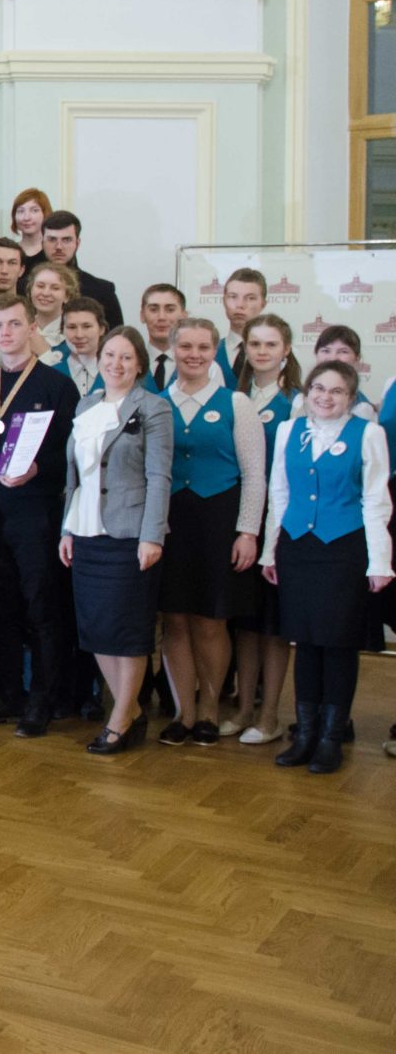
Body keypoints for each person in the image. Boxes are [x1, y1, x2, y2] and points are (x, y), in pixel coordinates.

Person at [259, 360, 393, 774]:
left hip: (344, 549)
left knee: (337, 643)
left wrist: (380, 560)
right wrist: (270, 551)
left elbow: (376, 500)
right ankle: (305, 734)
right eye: (318, 388)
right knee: (304, 641)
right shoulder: (289, 431)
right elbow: (278, 494)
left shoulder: (367, 433)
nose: (325, 397)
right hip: (298, 549)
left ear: (351, 397)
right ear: (307, 392)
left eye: (336, 391)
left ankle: (332, 738)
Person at [0, 294, 80, 736]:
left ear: (32, 328)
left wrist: (39, 468)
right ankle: (8, 693)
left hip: (36, 512)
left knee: (41, 607)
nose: (7, 333)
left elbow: (69, 457)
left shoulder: (57, 386)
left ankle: (44, 698)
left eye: (15, 324)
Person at [59, 326, 173, 755]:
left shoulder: (154, 408)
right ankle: (132, 712)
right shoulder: (86, 404)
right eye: (110, 355)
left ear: (139, 364)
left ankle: (121, 716)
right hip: (86, 530)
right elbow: (74, 474)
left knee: (127, 631)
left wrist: (152, 535)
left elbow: (159, 476)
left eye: (126, 357)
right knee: (96, 630)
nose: (116, 364)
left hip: (129, 533)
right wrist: (67, 529)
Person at [153, 317, 265, 747]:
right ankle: (183, 711)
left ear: (214, 351)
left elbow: (255, 475)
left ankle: (211, 708)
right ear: (174, 349)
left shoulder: (236, 403)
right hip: (169, 524)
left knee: (211, 621)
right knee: (174, 620)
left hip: (219, 522)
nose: (194, 355)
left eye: (203, 347)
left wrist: (247, 532)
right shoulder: (157, 402)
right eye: (186, 347)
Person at [229, 313, 300, 746]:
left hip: (276, 526)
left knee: (273, 627)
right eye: (254, 344)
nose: (261, 352)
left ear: (286, 351)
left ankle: (270, 715)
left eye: (270, 345)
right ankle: (241, 709)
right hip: (238, 521)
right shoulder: (234, 397)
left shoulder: (298, 402)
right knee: (245, 622)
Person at [40, 211, 122, 327]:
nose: (58, 247)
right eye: (52, 239)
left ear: (77, 243)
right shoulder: (25, 287)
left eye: (66, 240)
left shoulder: (102, 291)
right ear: (42, 242)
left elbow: (117, 341)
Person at [53, 296, 107, 397]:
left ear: (101, 329)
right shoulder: (50, 373)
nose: (79, 335)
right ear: (62, 330)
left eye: (87, 326)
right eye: (71, 327)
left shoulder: (119, 370)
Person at [11, 188, 51, 266]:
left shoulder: (54, 252)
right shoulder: (9, 251)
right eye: (21, 211)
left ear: (45, 214)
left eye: (34, 210)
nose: (26, 218)